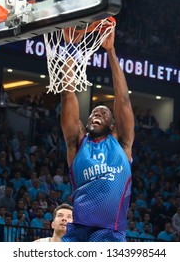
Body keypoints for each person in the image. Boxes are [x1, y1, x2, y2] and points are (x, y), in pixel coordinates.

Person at [60, 27, 134, 242]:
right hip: (78, 231)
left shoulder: (121, 144)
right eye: (93, 112)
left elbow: (123, 101)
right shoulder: (77, 143)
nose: (96, 114)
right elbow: (68, 94)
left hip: (110, 231)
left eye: (103, 113)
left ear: (113, 124)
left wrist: (110, 52)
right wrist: (71, 47)